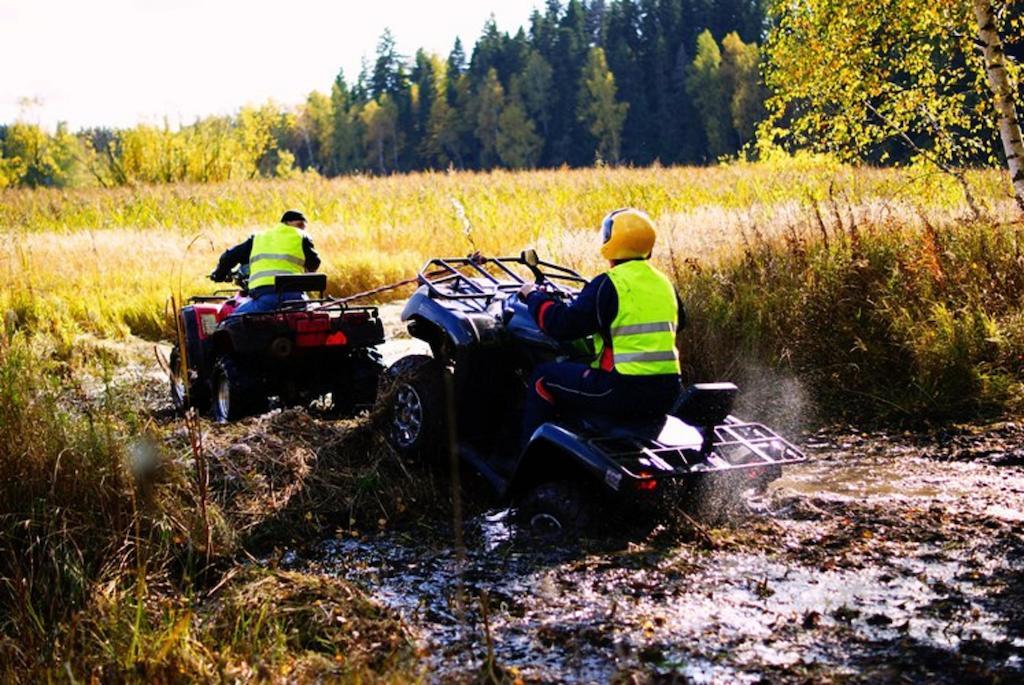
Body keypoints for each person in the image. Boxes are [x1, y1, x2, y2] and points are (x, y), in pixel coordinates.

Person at [518, 208, 684, 446]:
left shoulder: (609, 283)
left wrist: (533, 296)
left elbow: (560, 325)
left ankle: (528, 458)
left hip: (621, 391)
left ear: (611, 241)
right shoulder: (664, 283)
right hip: (668, 391)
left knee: (542, 377)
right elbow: (680, 322)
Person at [210, 210, 321, 314]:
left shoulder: (258, 238)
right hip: (296, 298)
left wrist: (219, 275)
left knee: (231, 320)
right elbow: (314, 263)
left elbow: (230, 256)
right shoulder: (302, 237)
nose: (301, 229)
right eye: (299, 225)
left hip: (266, 297)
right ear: (287, 222)